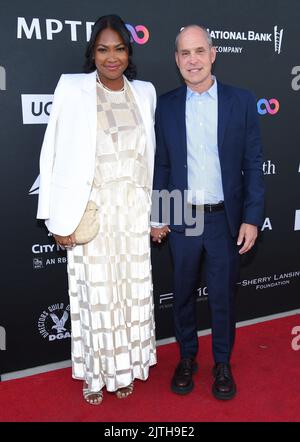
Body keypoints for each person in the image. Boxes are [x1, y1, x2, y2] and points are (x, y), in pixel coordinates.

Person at [37, 14, 157, 405]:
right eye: (103, 49)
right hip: (92, 211)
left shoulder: (146, 93)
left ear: (129, 52)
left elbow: (150, 163)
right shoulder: (72, 89)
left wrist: (155, 215)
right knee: (95, 297)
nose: (111, 57)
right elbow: (51, 153)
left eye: (119, 48)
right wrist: (55, 217)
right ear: (92, 51)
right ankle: (94, 375)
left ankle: (123, 370)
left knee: (129, 294)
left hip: (133, 212)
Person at [151, 25, 264, 400]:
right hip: (183, 217)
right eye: (185, 53)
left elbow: (253, 162)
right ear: (177, 60)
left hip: (223, 220)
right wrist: (159, 215)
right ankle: (186, 358)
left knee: (222, 298)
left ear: (213, 54)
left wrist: (251, 217)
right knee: (181, 294)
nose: (193, 60)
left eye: (200, 51)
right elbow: (162, 165)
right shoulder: (165, 105)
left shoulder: (242, 101)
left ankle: (221, 363)